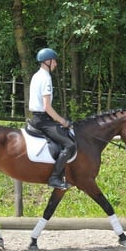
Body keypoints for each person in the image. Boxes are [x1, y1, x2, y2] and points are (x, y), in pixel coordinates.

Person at [29, 47, 76, 190]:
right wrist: (63, 121)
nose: (55, 64)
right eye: (54, 61)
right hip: (43, 121)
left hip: (38, 118)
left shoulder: (36, 75)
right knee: (70, 145)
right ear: (47, 61)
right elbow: (47, 107)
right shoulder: (45, 78)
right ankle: (55, 178)